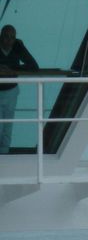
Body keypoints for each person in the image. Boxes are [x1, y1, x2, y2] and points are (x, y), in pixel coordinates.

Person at [0, 24, 39, 154]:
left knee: (8, 124)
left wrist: (13, 70)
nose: (8, 40)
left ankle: (4, 152)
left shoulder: (17, 46)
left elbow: (33, 66)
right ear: (1, 36)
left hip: (11, 91)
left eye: (12, 37)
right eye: (6, 36)